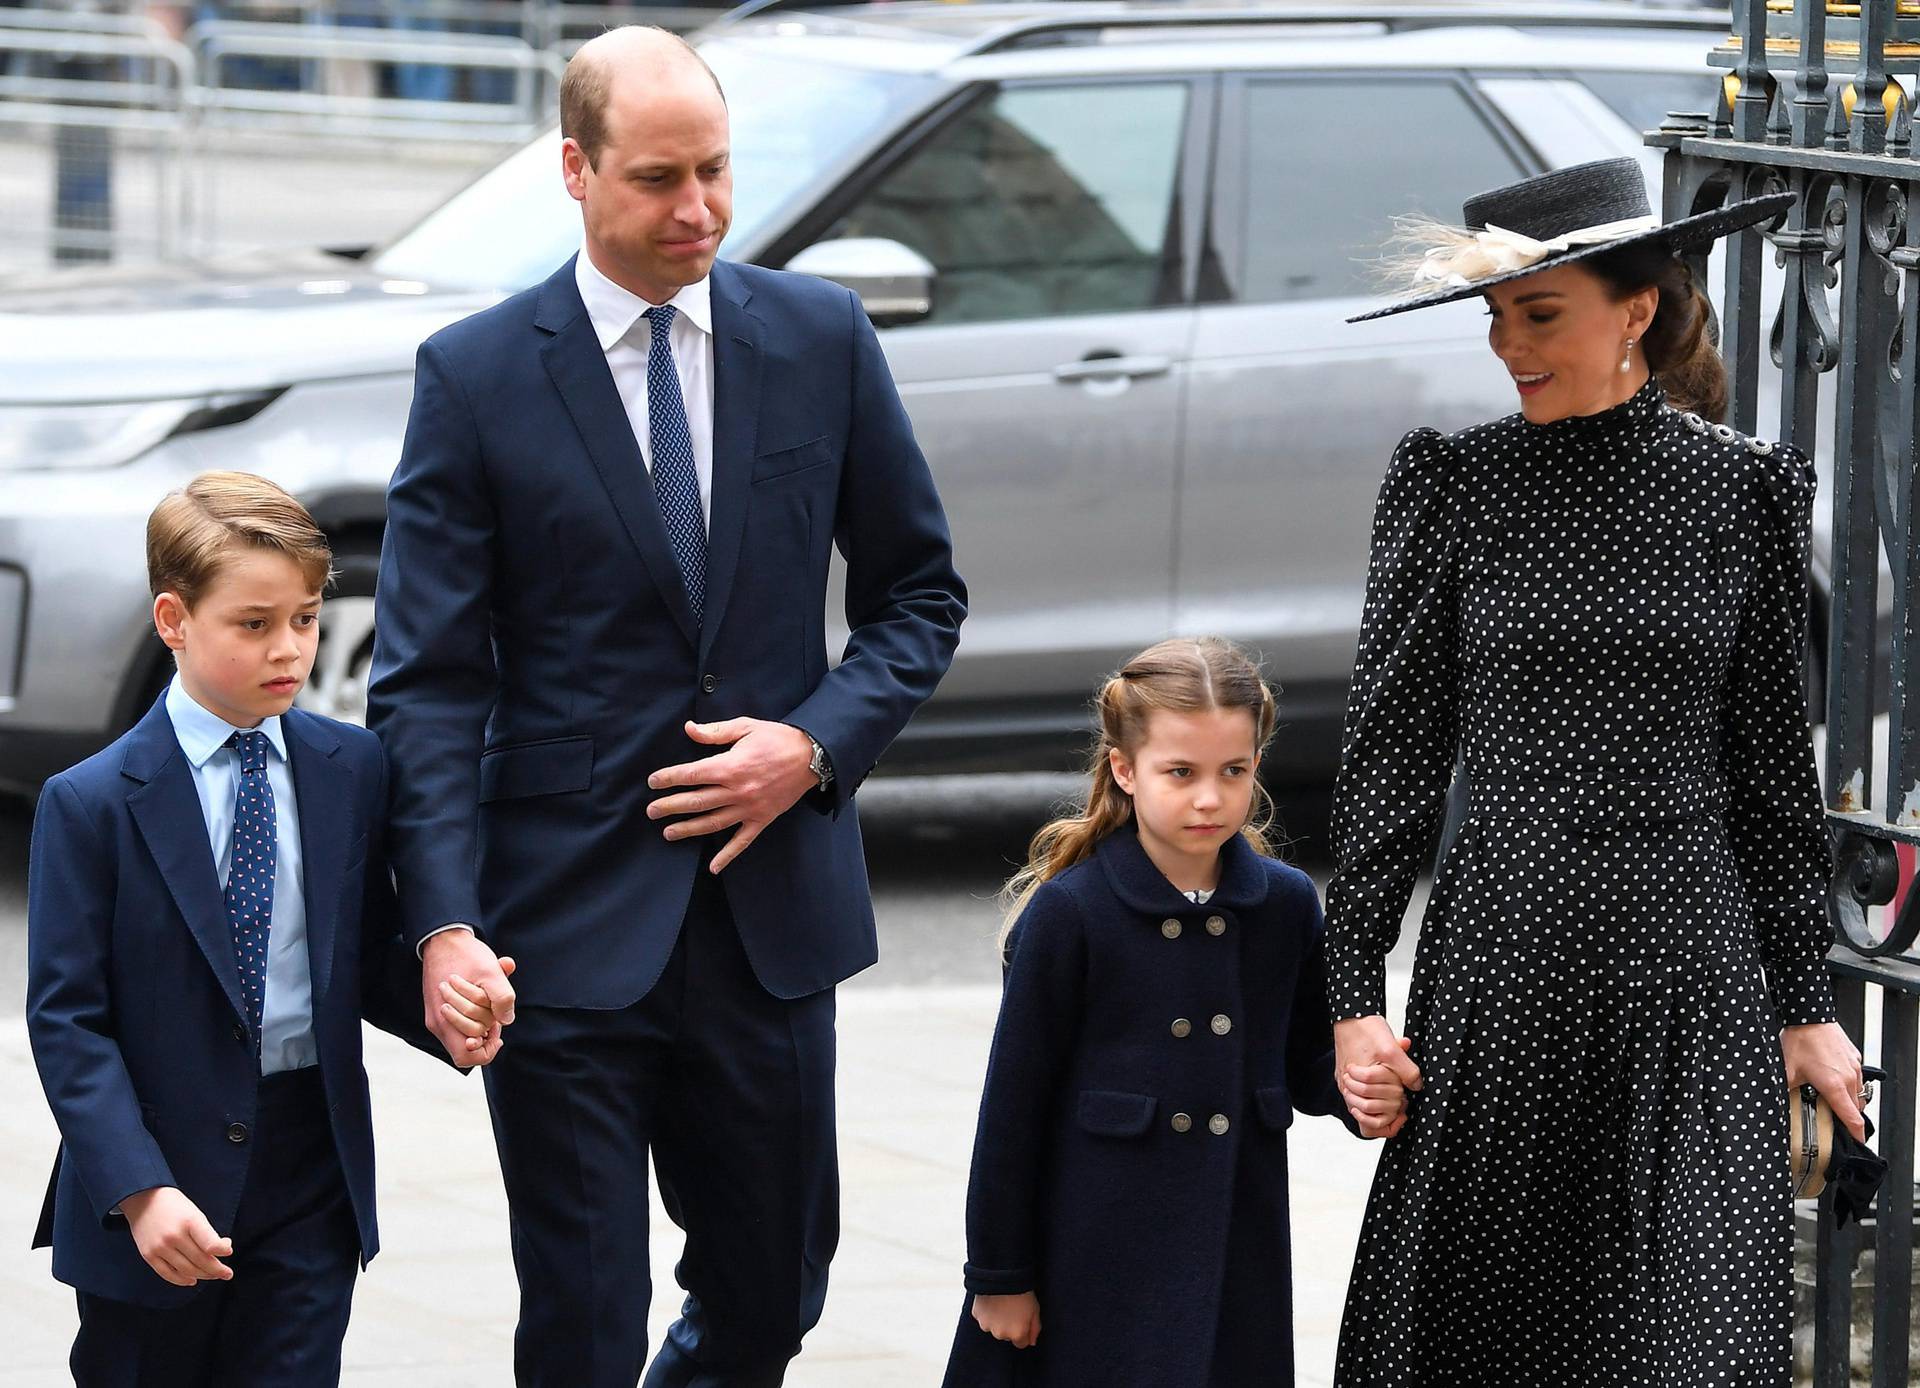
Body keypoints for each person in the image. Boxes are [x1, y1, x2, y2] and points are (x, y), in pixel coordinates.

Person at [366, 24, 966, 1388]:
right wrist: (443, 921)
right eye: (657, 178)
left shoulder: (821, 337)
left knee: (773, 1294)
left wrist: (812, 745)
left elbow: (918, 597)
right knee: (578, 1323)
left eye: (715, 172)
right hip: (561, 924)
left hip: (769, 917)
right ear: (574, 170)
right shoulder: (474, 374)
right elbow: (429, 679)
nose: (697, 208)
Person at [1326, 157, 1870, 1384]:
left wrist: (1804, 1002)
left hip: (1692, 965)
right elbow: (1390, 758)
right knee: (1494, 1335)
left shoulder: (1743, 491)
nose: (1510, 347)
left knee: (1700, 1334)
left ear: (1636, 310)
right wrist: (1355, 992)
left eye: (1541, 313)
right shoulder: (1453, 484)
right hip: (1508, 951)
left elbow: (1773, 774)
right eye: (1498, 320)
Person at [25, 472, 477, 1388]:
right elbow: (67, 1023)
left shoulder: (350, 764)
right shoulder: (89, 803)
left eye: (307, 618)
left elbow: (360, 955)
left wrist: (449, 1000)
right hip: (157, 1177)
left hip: (310, 1165)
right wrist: (141, 1191)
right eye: (254, 623)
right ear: (173, 620)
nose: (291, 649)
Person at [941, 638, 1369, 1388]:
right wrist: (1000, 1276)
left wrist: (1361, 1090)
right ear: (1124, 769)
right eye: (1182, 772)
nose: (1210, 797)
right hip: (1096, 1249)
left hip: (1237, 1245)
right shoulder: (1072, 913)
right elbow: (1013, 1108)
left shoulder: (1285, 904)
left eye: (1233, 770)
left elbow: (1306, 1061)